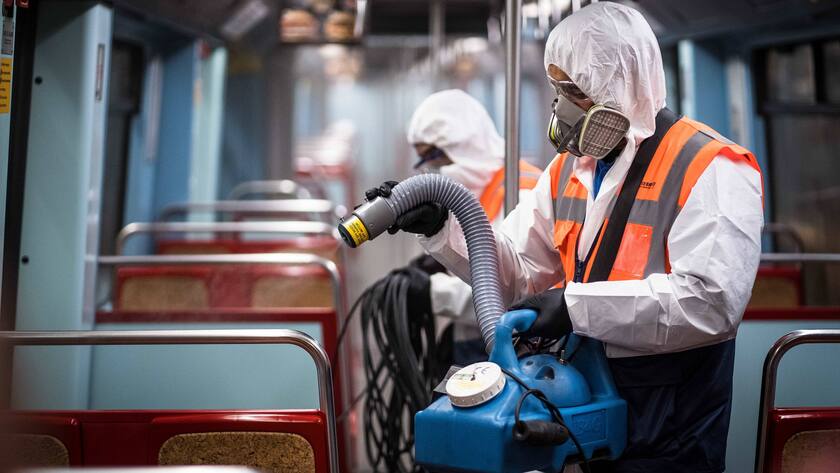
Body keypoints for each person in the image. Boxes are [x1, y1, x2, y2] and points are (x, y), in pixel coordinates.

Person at [368, 4, 764, 472]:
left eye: (573, 90)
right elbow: (514, 274)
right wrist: (443, 228)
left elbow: (711, 303)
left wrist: (574, 309)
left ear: (618, 86)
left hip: (672, 416)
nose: (561, 106)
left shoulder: (709, 166)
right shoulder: (568, 172)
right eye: (557, 89)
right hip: (584, 401)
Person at [390, 89, 542, 365]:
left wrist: (434, 292)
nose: (431, 170)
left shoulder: (520, 192)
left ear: (464, 144)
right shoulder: (480, 187)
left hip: (518, 350)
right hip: (474, 340)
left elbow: (510, 293)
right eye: (424, 160)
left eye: (435, 157)